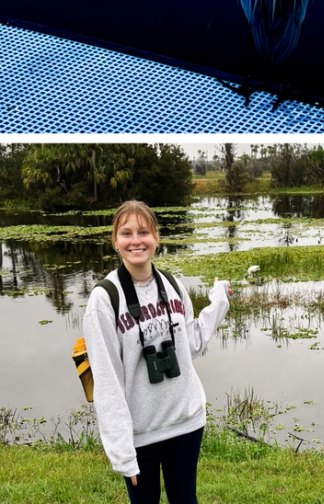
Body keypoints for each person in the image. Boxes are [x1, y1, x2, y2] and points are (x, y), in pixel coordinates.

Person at [84, 201, 232, 504]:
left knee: (185, 499)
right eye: (126, 233)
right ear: (115, 241)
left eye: (144, 231)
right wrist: (123, 452)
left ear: (157, 237)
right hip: (140, 434)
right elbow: (107, 382)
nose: (136, 241)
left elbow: (190, 344)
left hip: (186, 421)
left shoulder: (172, 283)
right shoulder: (104, 299)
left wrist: (219, 302)